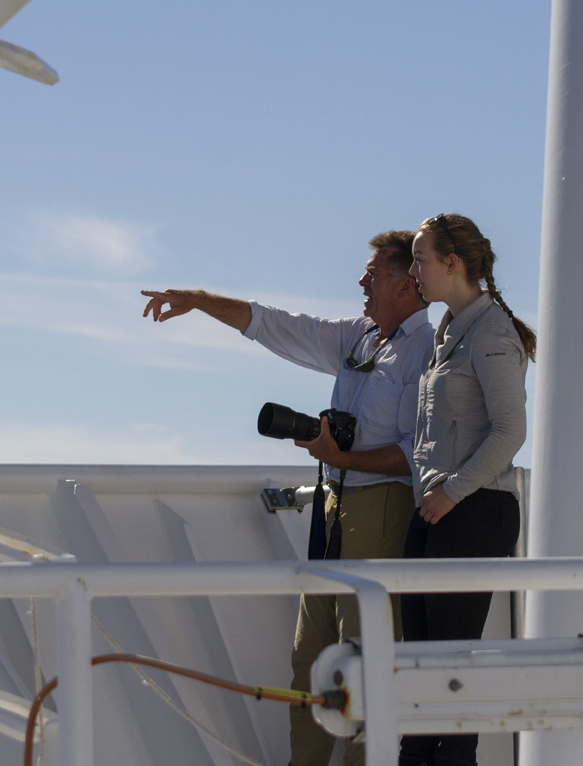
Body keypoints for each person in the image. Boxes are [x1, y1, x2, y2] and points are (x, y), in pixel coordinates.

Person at [140, 230, 433, 766]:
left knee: (366, 662)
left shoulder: (427, 352)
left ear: (408, 283)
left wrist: (343, 458)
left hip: (383, 508)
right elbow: (273, 325)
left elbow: (419, 455)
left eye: (373, 273)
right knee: (311, 663)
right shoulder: (360, 336)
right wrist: (201, 302)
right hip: (334, 507)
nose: (361, 282)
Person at [399, 213, 535, 766]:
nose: (413, 271)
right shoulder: (449, 331)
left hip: (474, 511)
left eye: (420, 259)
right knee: (422, 667)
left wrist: (452, 492)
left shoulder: (492, 332)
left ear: (451, 264)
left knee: (452, 669)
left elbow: (511, 432)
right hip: (439, 512)